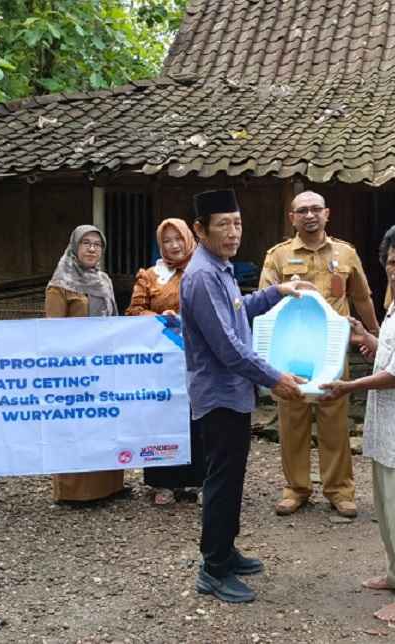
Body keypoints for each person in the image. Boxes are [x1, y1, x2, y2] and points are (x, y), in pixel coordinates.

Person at [180, 188, 310, 604]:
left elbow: (239, 310)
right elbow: (227, 347)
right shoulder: (201, 276)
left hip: (233, 392)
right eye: (223, 225)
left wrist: (277, 292)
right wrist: (275, 378)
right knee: (221, 481)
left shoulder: (220, 267)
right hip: (219, 395)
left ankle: (225, 551)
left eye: (237, 223)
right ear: (200, 230)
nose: (233, 232)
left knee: (232, 477)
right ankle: (213, 569)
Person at [320, 224, 395, 623]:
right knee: (389, 512)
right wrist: (368, 339)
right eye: (392, 262)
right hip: (387, 428)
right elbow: (391, 358)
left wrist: (348, 386)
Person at [260, 190, 379, 518]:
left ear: (327, 214)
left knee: (334, 422)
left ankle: (339, 490)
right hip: (291, 347)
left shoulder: (345, 253)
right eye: (302, 211)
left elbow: (363, 298)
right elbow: (264, 302)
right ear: (292, 217)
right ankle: (295, 488)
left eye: (315, 210)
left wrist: (375, 336)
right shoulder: (278, 257)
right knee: (292, 420)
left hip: (331, 351)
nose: (309, 215)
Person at [125, 218, 204, 506]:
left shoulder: (202, 270)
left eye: (178, 239)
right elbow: (134, 311)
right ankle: (163, 482)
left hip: (197, 358)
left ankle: (197, 480)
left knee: (197, 417)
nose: (174, 245)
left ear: (189, 239)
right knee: (161, 417)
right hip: (160, 362)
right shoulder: (149, 275)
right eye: (167, 240)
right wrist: (160, 318)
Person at [46, 224, 126, 504]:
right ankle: (73, 492)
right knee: (75, 427)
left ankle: (109, 486)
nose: (92, 249)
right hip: (74, 370)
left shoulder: (103, 280)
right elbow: (53, 332)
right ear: (74, 247)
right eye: (86, 243)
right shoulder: (60, 284)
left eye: (97, 244)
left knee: (103, 424)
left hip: (103, 367)